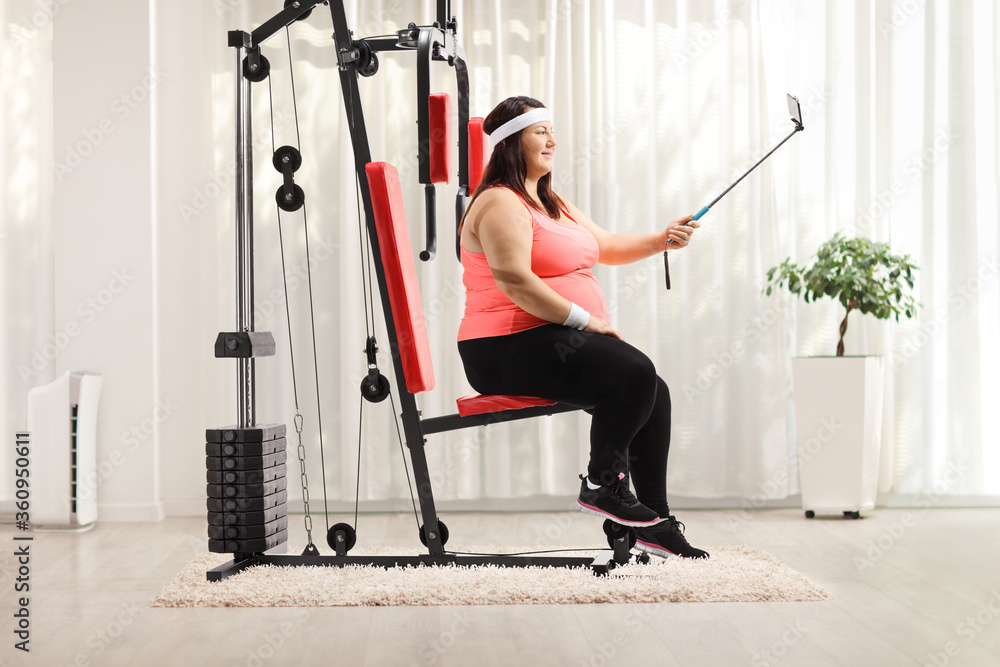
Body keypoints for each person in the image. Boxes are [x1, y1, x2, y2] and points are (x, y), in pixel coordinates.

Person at [457, 96, 708, 560]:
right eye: (540, 131)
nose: (552, 140)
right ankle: (601, 484)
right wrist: (586, 321)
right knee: (634, 372)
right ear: (512, 142)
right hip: (502, 345)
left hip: (548, 339)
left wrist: (662, 238)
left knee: (654, 389)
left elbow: (607, 246)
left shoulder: (551, 202)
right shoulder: (498, 202)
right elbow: (514, 280)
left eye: (552, 130)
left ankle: (652, 520)